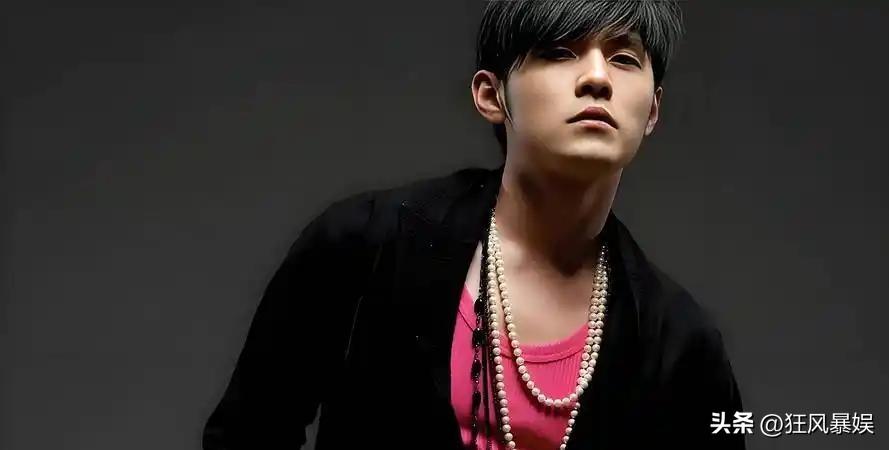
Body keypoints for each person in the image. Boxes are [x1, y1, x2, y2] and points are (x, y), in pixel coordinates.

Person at [202, 1, 745, 449]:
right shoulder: (364, 243)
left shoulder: (681, 342)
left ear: (652, 111)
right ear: (491, 95)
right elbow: (246, 434)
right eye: (559, 52)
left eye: (624, 58)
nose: (597, 78)